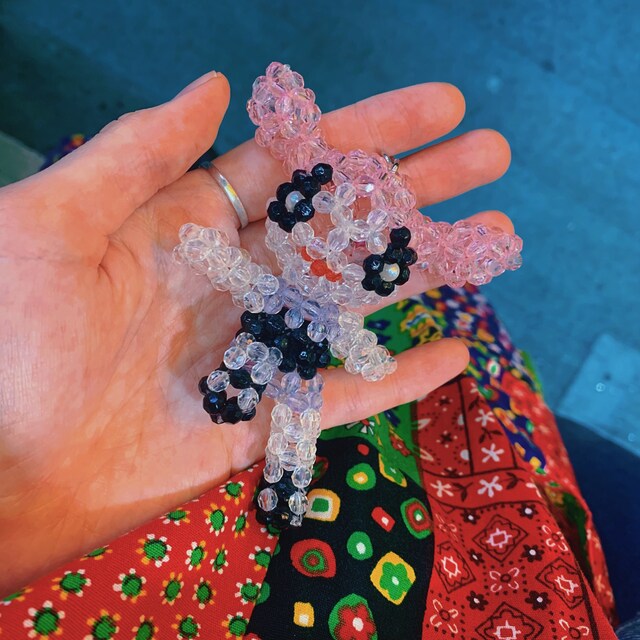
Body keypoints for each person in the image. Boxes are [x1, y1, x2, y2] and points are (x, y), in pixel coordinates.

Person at [0, 71, 617, 638]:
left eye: (371, 261)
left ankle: (288, 477)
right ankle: (240, 402)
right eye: (308, 212)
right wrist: (208, 253)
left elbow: (327, 324)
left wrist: (364, 351)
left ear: (384, 269)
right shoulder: (283, 283)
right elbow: (243, 276)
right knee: (254, 365)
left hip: (299, 371)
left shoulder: (331, 308)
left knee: (297, 414)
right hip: (261, 345)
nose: (330, 252)